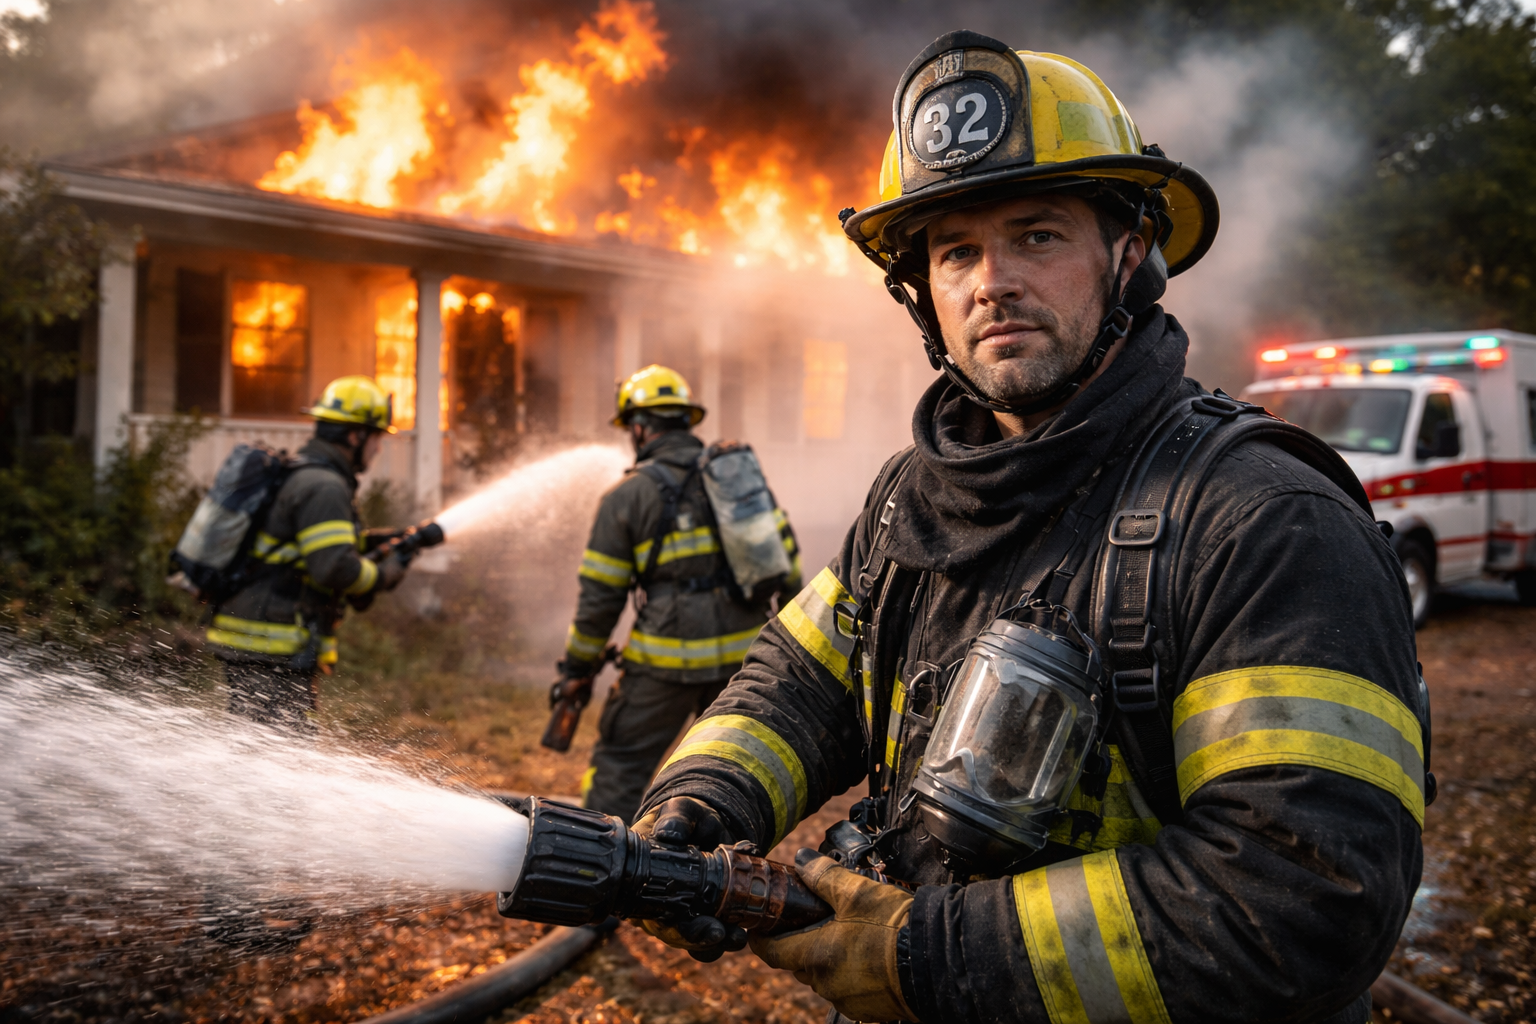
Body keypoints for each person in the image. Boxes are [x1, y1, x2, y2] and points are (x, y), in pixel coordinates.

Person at [628, 32, 1423, 1024]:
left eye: (1037, 235)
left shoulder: (1264, 520)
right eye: (955, 249)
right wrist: (701, 802)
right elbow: (803, 681)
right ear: (924, 290)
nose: (990, 280)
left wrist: (930, 955)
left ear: (1130, 252)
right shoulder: (907, 500)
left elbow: (1299, 902)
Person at [559, 364, 801, 825]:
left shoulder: (626, 497)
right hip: (741, 661)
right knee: (732, 772)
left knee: (622, 766)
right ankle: (718, 875)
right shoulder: (737, 478)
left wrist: (576, 667)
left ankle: (597, 865)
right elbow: (786, 562)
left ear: (638, 426)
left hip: (662, 667)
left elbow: (600, 601)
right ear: (686, 422)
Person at [205, 375, 411, 731]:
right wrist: (388, 571)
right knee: (277, 752)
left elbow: (305, 548)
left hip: (256, 642)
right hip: (272, 646)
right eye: (377, 437)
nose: (379, 448)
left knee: (257, 747)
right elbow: (333, 568)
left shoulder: (303, 473)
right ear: (354, 436)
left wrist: (379, 541)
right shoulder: (324, 486)